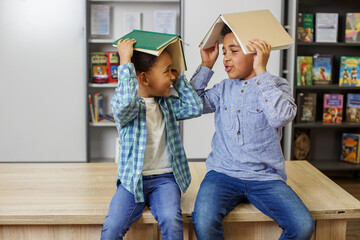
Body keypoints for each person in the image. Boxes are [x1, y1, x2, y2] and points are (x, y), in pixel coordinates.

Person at [190, 25, 315, 240]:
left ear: (256, 53)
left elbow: (281, 117)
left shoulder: (276, 85)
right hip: (222, 175)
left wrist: (261, 72)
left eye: (234, 51)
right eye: (224, 53)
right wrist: (205, 65)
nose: (226, 58)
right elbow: (188, 106)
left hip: (265, 178)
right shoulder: (223, 89)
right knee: (203, 220)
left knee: (303, 225)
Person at [100, 38, 203, 240]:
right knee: (112, 228)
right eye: (167, 71)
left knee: (172, 222)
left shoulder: (167, 105)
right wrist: (125, 61)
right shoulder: (128, 109)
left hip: (165, 179)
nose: (171, 77)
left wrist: (178, 75)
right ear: (144, 79)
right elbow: (125, 101)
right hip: (132, 181)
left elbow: (194, 107)